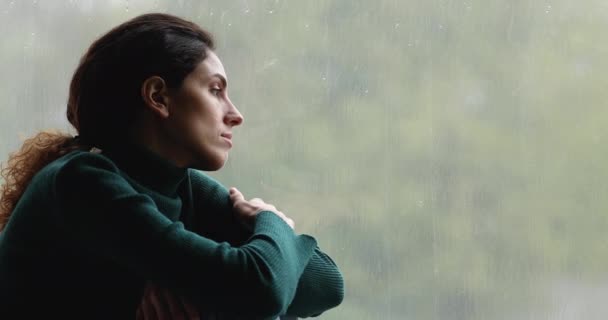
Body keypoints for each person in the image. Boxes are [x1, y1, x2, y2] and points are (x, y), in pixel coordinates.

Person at [0, 13, 344, 319]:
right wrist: (273, 223)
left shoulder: (183, 186)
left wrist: (260, 262)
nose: (235, 114)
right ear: (158, 97)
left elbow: (325, 284)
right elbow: (262, 290)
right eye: (215, 90)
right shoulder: (81, 182)